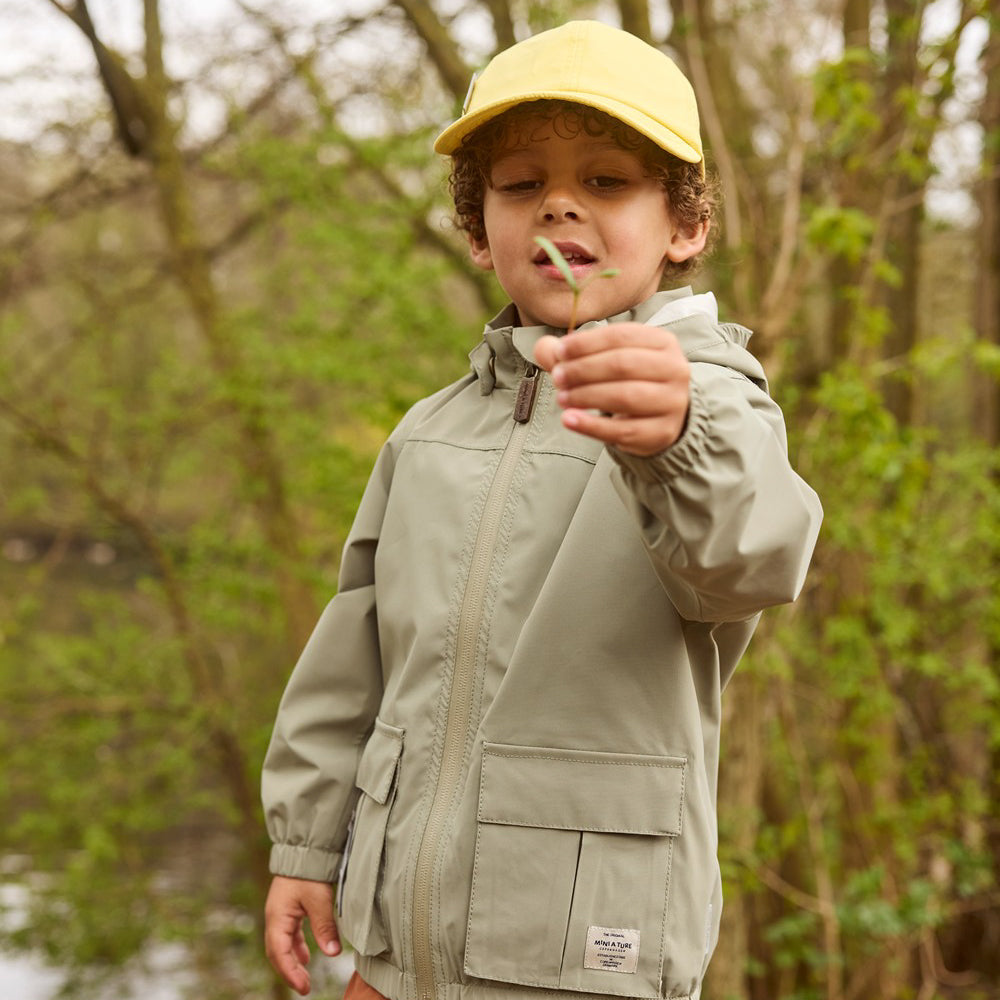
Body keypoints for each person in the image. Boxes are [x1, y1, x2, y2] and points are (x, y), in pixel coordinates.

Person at [262, 19, 822, 1000]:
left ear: (682, 227)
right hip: (396, 960)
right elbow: (354, 651)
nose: (559, 202)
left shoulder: (704, 391)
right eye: (521, 185)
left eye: (606, 180)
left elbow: (752, 556)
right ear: (480, 233)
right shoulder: (428, 430)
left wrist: (674, 434)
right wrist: (306, 842)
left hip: (585, 959)